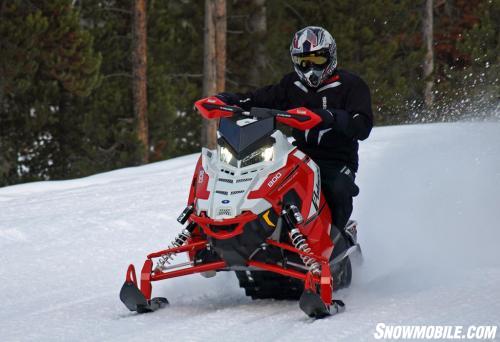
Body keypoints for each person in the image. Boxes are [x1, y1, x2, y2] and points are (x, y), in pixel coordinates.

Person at [215, 26, 373, 241]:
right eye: (303, 62)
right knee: (264, 182)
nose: (311, 68)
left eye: (317, 60)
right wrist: (226, 100)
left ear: (331, 56)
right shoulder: (292, 84)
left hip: (337, 159)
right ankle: (256, 237)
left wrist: (328, 117)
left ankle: (336, 238)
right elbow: (260, 98)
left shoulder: (351, 85)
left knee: (337, 187)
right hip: (299, 155)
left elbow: (362, 125)